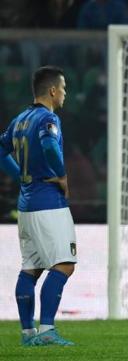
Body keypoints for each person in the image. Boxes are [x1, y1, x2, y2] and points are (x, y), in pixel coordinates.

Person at [0, 66, 76, 346]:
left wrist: (19, 175)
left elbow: (0, 150)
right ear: (53, 90)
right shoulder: (48, 119)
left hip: (26, 205)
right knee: (64, 264)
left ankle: (27, 332)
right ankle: (46, 330)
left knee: (31, 267)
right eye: (64, 88)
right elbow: (49, 146)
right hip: (49, 203)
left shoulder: (20, 119)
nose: (66, 94)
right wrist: (62, 174)